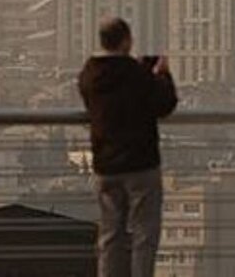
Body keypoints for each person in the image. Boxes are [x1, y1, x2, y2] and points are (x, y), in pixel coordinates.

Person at [79, 17, 178, 277]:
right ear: (126, 41)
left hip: (105, 166)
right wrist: (163, 75)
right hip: (140, 164)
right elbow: (165, 104)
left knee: (110, 235)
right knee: (145, 233)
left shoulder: (90, 73)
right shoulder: (136, 74)